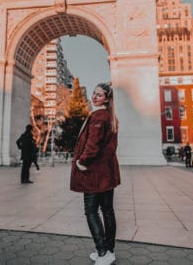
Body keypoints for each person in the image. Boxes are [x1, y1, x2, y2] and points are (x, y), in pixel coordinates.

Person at [70, 82, 121, 265]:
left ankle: (102, 252)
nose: (94, 96)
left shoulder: (99, 116)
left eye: (99, 95)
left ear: (106, 99)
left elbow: (92, 146)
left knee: (91, 211)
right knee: (107, 210)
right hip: (107, 172)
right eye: (94, 93)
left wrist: (81, 162)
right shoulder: (110, 116)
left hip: (94, 173)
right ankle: (109, 250)